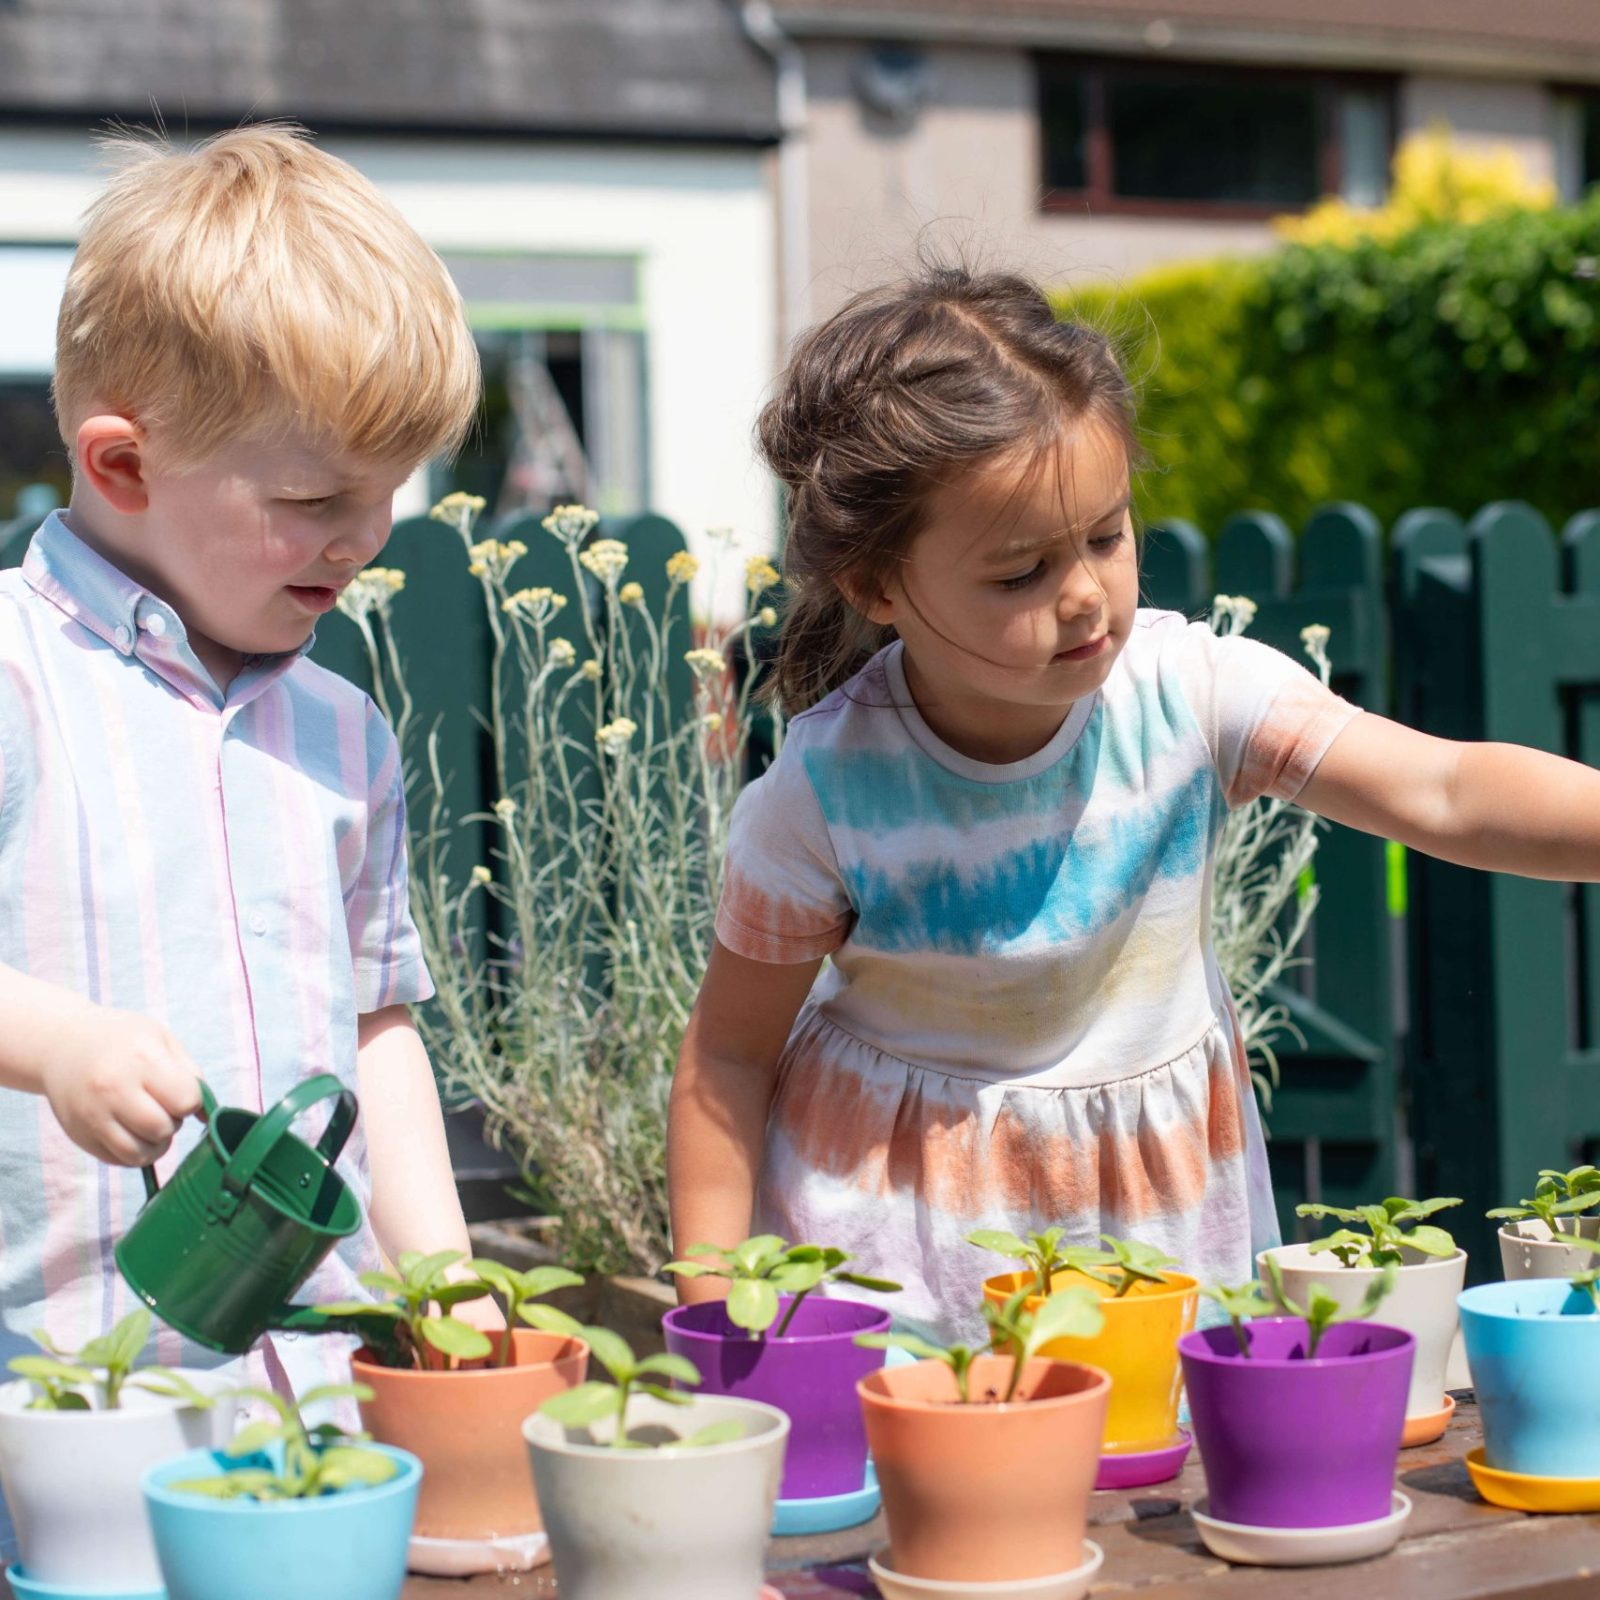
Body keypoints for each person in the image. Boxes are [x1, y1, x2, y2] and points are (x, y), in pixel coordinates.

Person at [667, 265, 1600, 1342]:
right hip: (896, 1261)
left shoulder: (1193, 694)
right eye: (1019, 572)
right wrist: (716, 1305)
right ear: (879, 587)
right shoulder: (825, 792)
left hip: (1154, 1230)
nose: (1082, 593)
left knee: (1165, 1487)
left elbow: (1441, 787)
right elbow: (728, 1056)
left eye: (1105, 537)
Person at [0, 125, 499, 1415]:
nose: (364, 539)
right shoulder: (12, 675)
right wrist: (54, 1044)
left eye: (386, 492)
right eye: (315, 498)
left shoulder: (343, 733)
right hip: (59, 1384)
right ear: (122, 463)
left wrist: (440, 1275)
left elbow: (377, 1020)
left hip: (316, 1386)